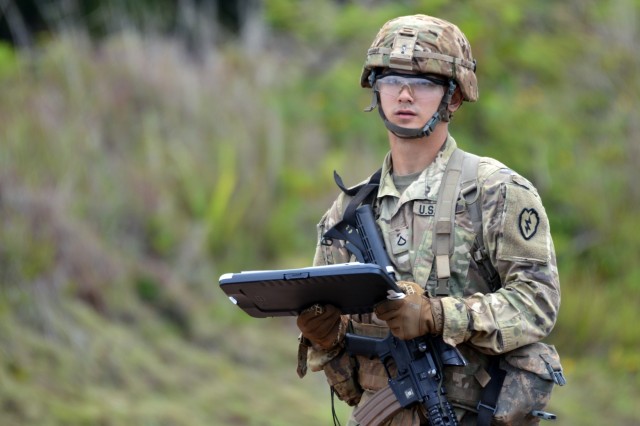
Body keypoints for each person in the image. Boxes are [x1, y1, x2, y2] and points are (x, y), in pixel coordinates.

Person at [295, 14, 565, 426]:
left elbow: (538, 303)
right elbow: (348, 380)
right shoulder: (347, 212)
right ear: (375, 91)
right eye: (390, 80)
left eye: (423, 83)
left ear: (453, 97)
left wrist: (439, 316)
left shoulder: (494, 192)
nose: (404, 94)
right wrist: (326, 337)